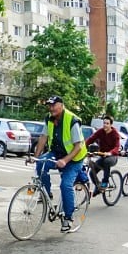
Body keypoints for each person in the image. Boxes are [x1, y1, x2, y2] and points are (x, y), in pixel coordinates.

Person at [32, 95, 86, 232]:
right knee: (40, 164)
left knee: (65, 184)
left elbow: (78, 146)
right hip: (57, 153)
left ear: (61, 105)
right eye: (49, 105)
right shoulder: (49, 119)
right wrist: (35, 156)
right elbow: (43, 137)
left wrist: (65, 160)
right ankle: (47, 193)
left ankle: (68, 218)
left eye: (53, 105)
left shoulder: (72, 120)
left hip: (74, 158)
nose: (51, 108)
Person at [84, 116, 120, 196]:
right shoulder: (100, 132)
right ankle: (98, 186)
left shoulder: (115, 134)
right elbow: (91, 139)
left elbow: (117, 147)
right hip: (102, 155)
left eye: (107, 123)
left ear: (111, 125)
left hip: (112, 156)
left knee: (107, 161)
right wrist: (82, 147)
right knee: (91, 172)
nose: (105, 125)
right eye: (104, 123)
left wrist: (110, 153)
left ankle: (105, 182)